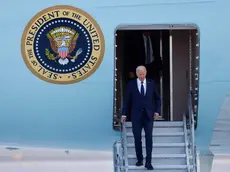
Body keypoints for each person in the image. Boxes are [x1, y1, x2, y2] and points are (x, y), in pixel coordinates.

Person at [121, 66, 161, 170]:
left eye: (143, 74)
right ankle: (139, 159)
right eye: (140, 74)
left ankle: (148, 162)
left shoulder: (151, 83)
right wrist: (124, 114)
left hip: (148, 116)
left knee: (149, 138)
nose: (142, 76)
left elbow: (157, 98)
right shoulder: (131, 84)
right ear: (136, 74)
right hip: (136, 116)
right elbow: (127, 101)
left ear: (146, 73)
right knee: (137, 138)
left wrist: (157, 111)